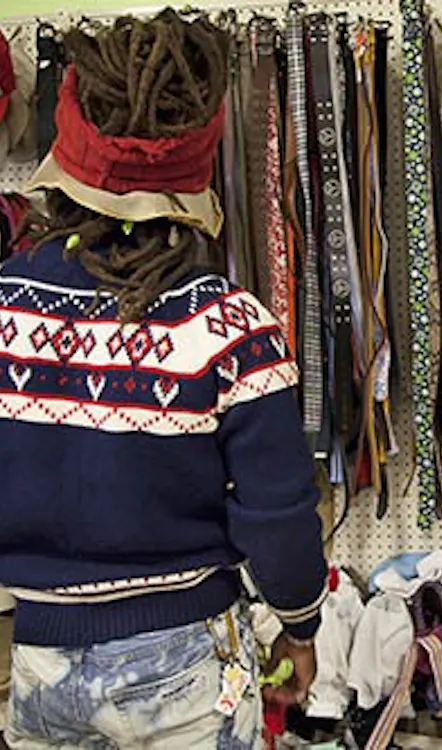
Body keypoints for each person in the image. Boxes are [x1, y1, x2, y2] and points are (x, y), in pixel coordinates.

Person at [0, 11, 327, 748]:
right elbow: (276, 515)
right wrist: (300, 627)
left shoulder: (4, 305)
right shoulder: (229, 327)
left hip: (38, 659)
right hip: (186, 658)